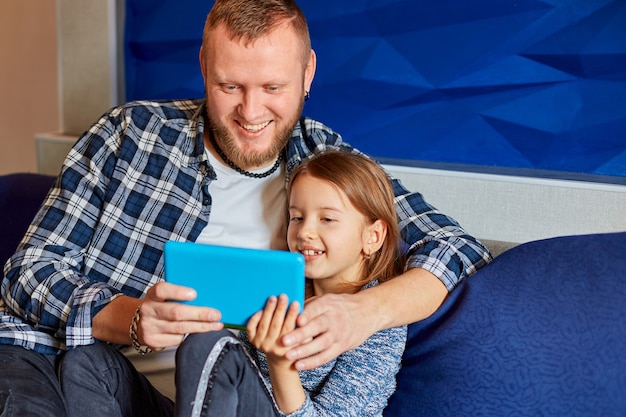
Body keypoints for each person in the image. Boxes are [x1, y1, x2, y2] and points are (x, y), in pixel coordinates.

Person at [0, 0, 491, 416]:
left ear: (307, 73)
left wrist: (362, 313)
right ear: (204, 68)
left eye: (273, 88)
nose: (251, 113)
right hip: (50, 353)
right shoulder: (130, 134)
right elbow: (27, 272)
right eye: (229, 87)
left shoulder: (328, 166)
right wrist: (126, 317)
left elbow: (457, 249)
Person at [176, 149, 408, 417]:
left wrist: (280, 363)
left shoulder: (378, 323)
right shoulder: (278, 292)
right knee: (116, 368)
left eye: (327, 219)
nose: (305, 231)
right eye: (297, 217)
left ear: (373, 236)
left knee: (210, 344)